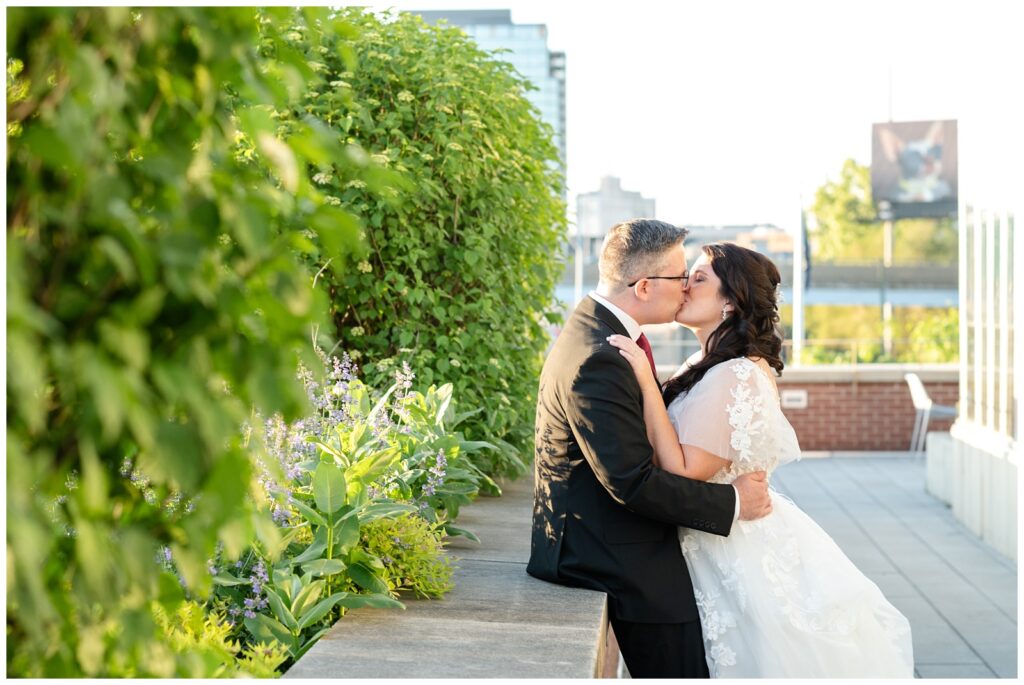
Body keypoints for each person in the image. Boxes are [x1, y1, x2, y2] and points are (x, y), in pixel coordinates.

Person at [608, 242, 914, 677]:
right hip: (704, 537)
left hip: (732, 547)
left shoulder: (735, 372)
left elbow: (684, 469)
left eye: (698, 279)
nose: (684, 286)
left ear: (730, 302)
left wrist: (642, 376)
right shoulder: (703, 362)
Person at [526, 219, 773, 678]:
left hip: (616, 537)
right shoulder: (600, 353)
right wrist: (735, 502)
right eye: (681, 276)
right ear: (643, 286)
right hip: (610, 552)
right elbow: (632, 482)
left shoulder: (603, 333)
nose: (685, 288)